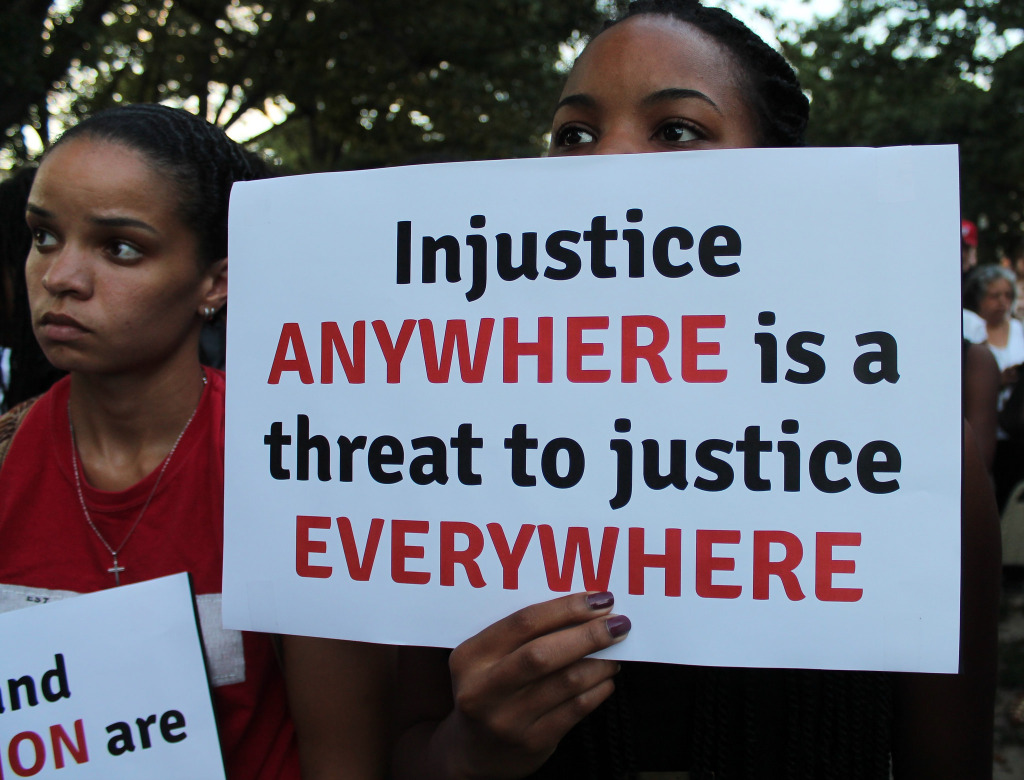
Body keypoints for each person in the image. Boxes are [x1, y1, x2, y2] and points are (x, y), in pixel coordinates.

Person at [393, 2, 1000, 778]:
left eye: (676, 130)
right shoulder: (439, 455)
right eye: (573, 134)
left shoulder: (916, 464)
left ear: (781, 182)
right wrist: (468, 751)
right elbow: (405, 745)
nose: (607, 162)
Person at [0, 104, 391, 779]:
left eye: (120, 247)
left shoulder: (301, 471)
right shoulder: (8, 460)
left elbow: (346, 761)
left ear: (217, 280)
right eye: (43, 236)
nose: (62, 277)